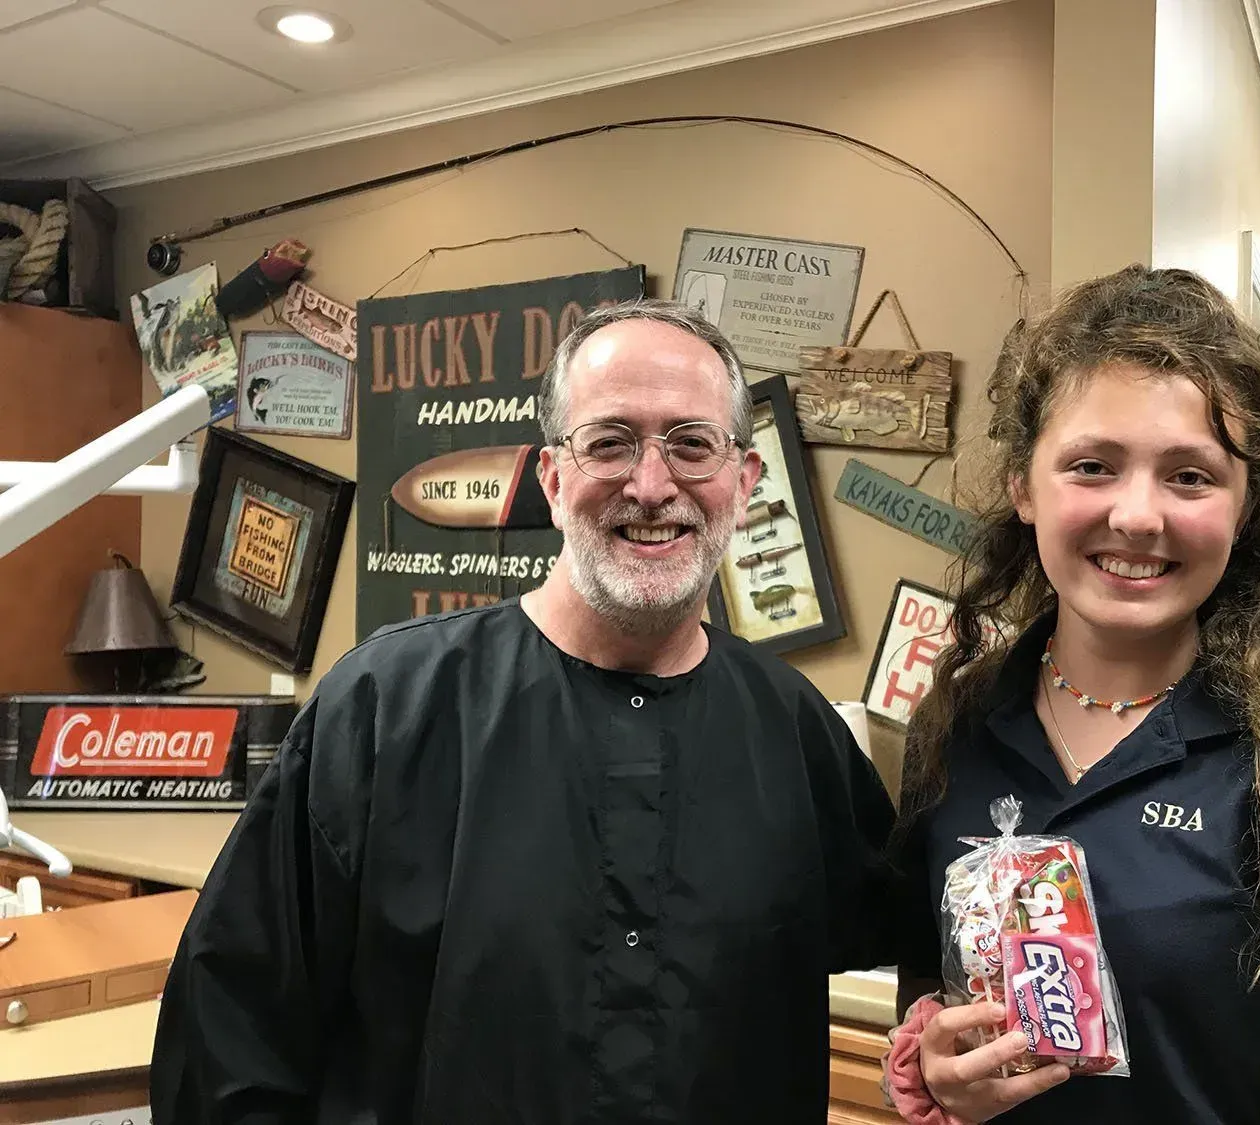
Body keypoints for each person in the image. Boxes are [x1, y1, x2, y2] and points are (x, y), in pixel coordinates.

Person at [151, 298, 904, 1124]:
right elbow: (230, 1037)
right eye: (609, 443)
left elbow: (914, 939)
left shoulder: (796, 735)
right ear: (551, 479)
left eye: (692, 444)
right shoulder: (384, 710)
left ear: (744, 482)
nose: (652, 486)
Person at [886, 266, 1260, 1125]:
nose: (1138, 515)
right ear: (1023, 488)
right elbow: (935, 994)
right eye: (1091, 465)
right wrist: (937, 1066)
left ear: (1243, 503)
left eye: (1190, 475)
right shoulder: (954, 726)